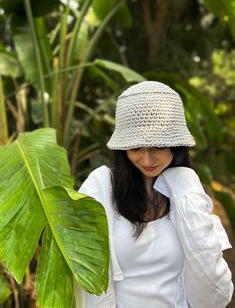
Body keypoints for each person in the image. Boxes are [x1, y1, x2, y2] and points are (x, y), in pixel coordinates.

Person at [75, 81, 234, 308]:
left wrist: (186, 189)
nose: (147, 160)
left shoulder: (187, 191)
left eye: (158, 146)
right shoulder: (102, 189)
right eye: (136, 147)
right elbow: (85, 272)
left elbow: (214, 291)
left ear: (175, 145)